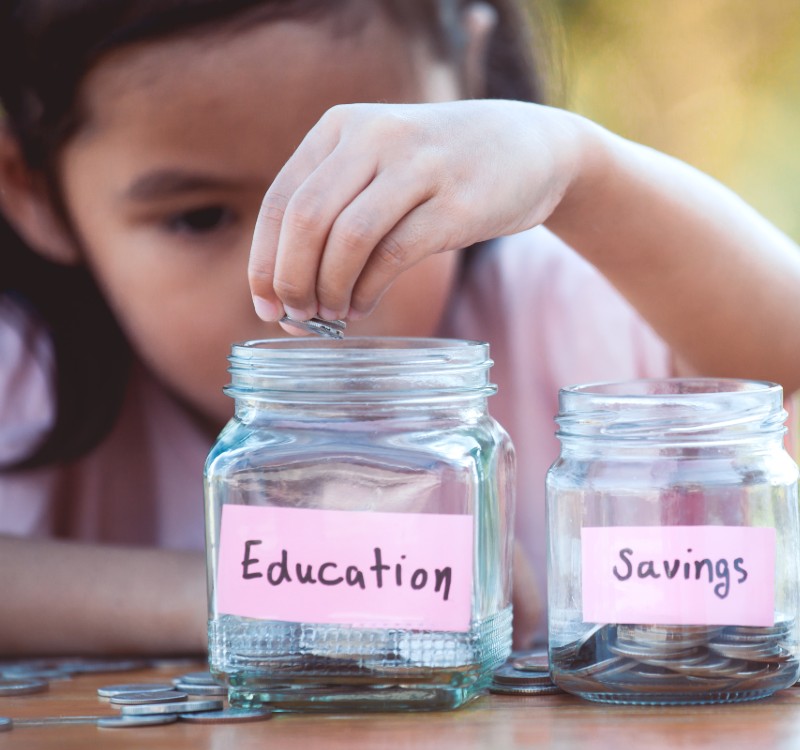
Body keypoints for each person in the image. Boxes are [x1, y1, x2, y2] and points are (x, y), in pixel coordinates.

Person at [2, 0, 800, 657]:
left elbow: (785, 371)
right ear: (30, 188)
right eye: (200, 217)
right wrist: (270, 591)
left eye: (374, 203)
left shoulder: (553, 304)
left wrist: (582, 168)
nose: (300, 280)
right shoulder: (30, 368)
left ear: (468, 76)